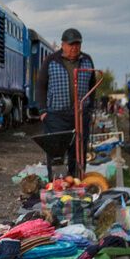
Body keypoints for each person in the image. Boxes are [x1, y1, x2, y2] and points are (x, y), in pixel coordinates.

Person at [35, 28, 96, 178]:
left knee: (79, 151)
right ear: (63, 44)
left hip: (80, 114)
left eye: (77, 44)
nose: (74, 48)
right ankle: (56, 185)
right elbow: (41, 85)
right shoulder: (51, 60)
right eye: (71, 44)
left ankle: (76, 181)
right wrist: (43, 111)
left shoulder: (87, 60)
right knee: (56, 153)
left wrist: (90, 108)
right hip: (56, 115)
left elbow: (92, 86)